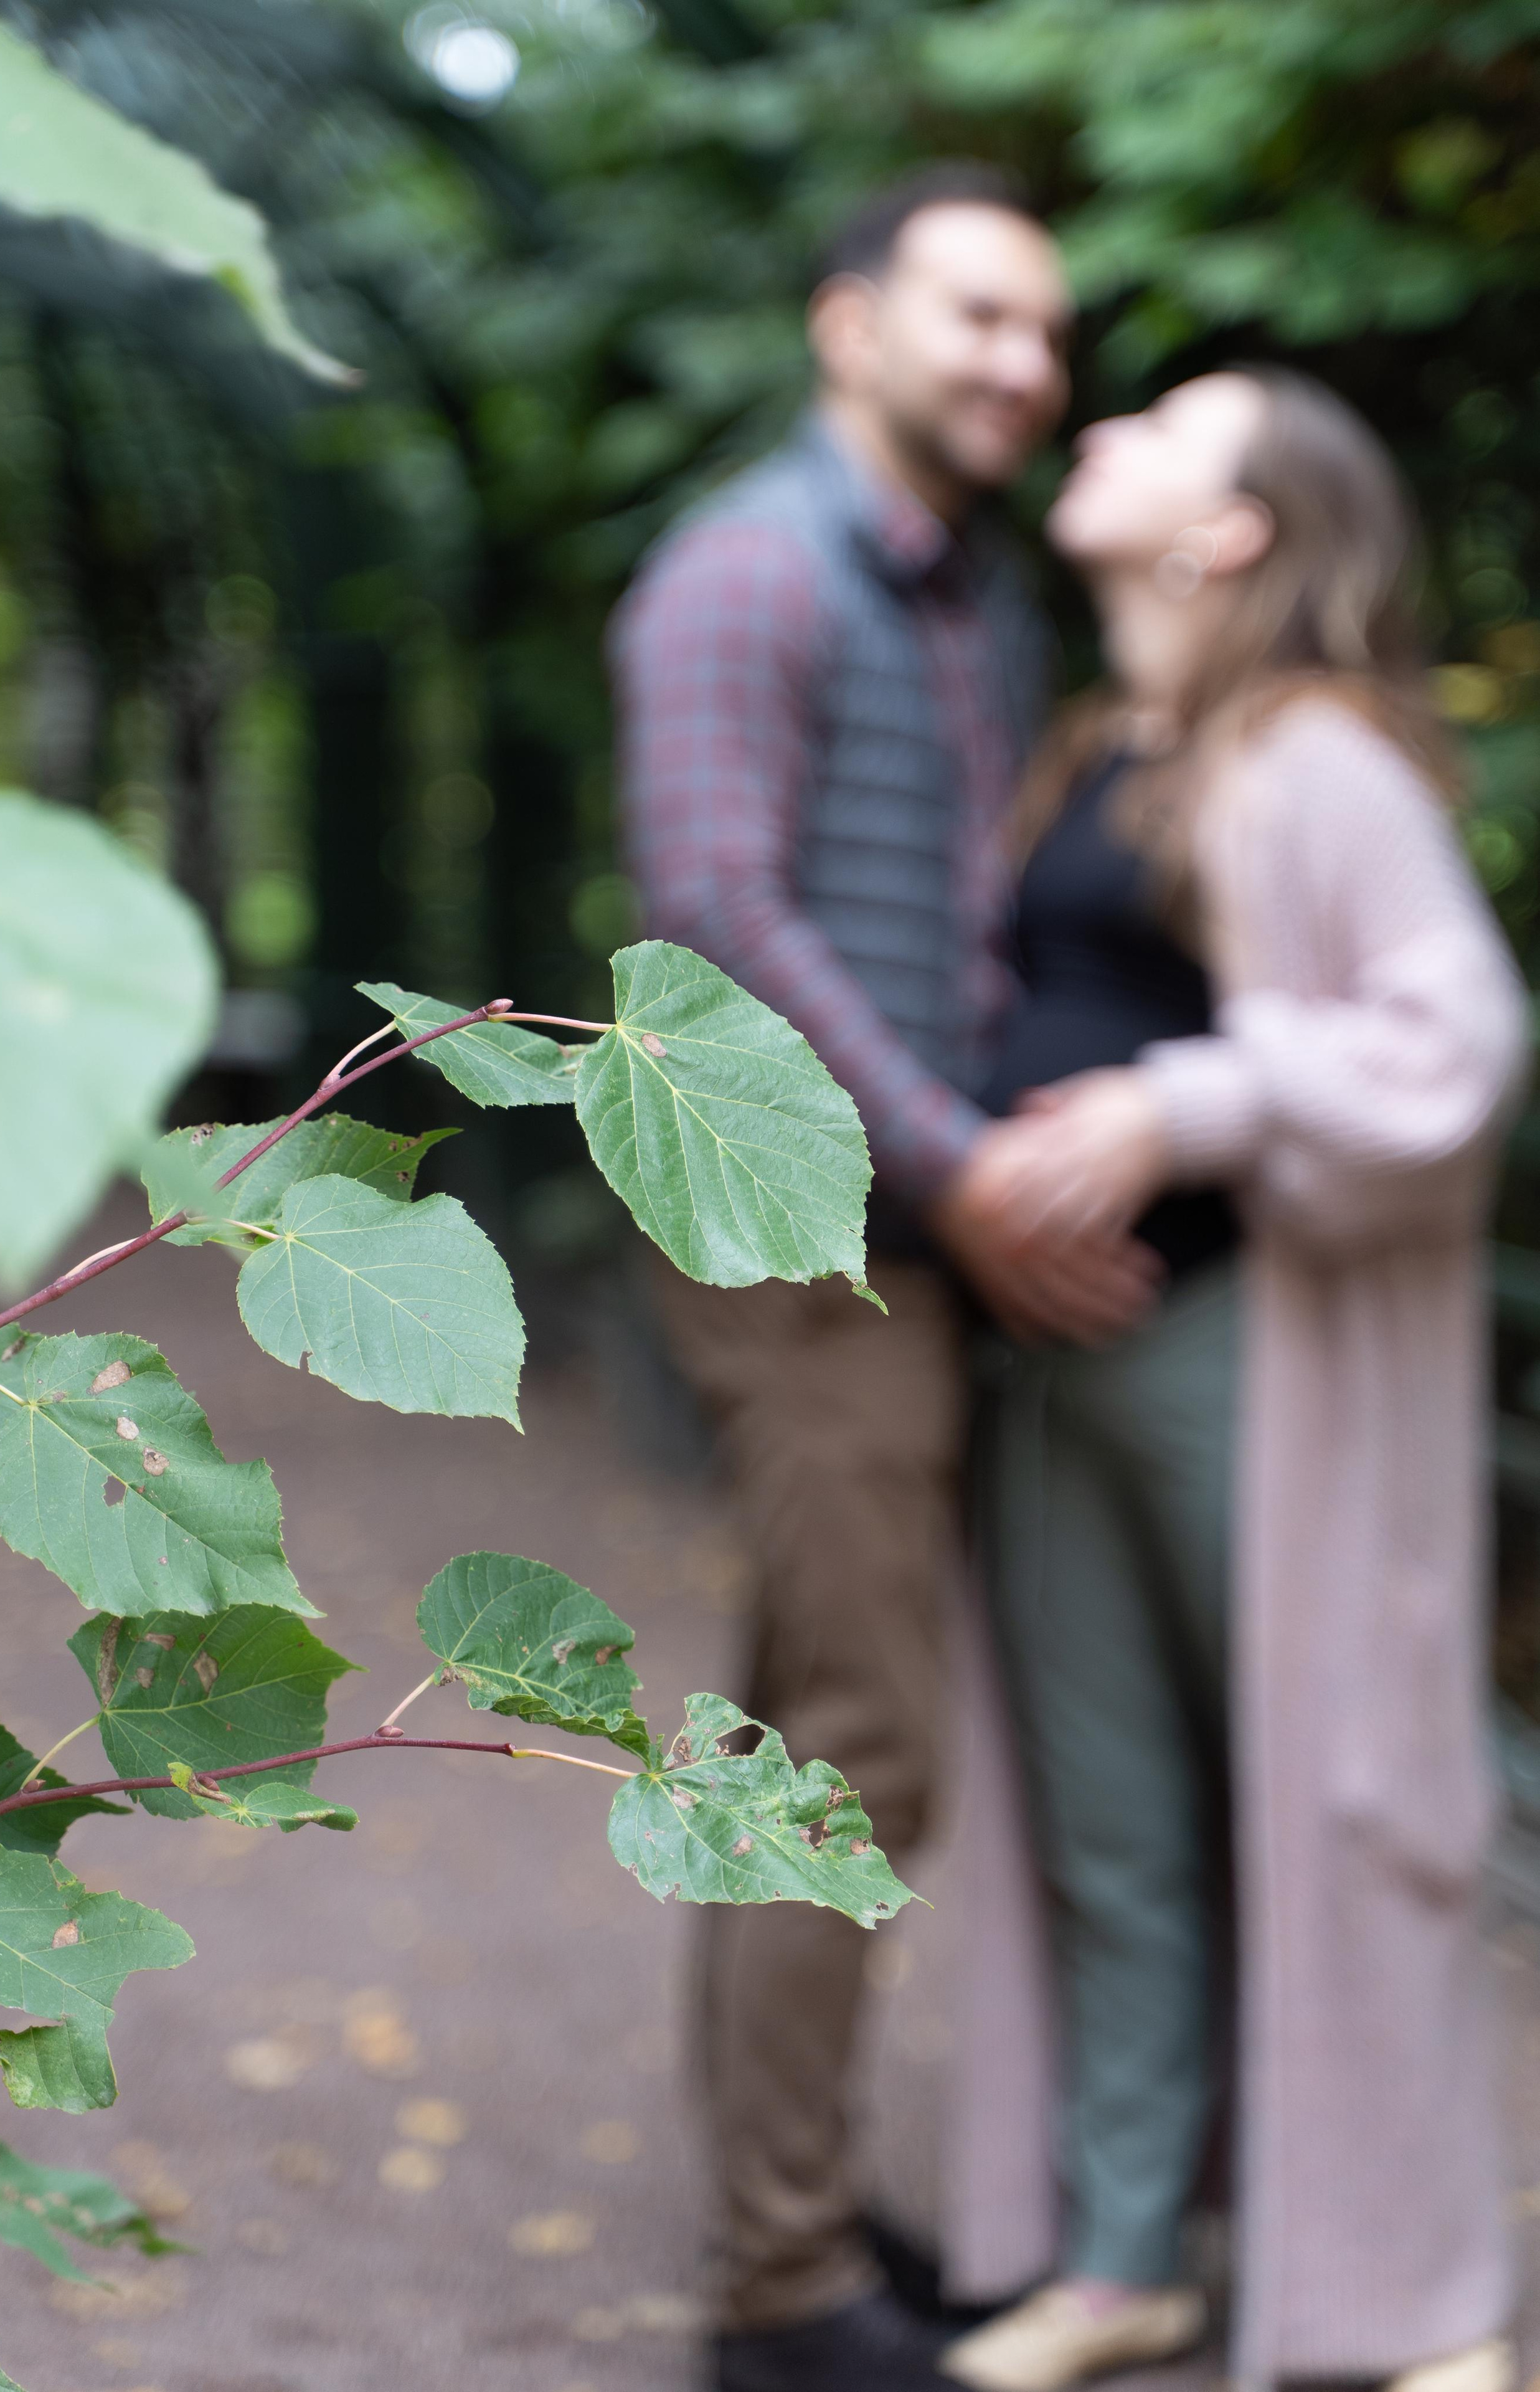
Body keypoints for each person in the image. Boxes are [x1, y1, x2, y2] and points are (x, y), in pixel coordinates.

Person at [613, 165, 1160, 2392]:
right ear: (849, 325)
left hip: (895, 1239)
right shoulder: (755, 569)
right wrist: (967, 1178)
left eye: (1046, 329)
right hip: (799, 1241)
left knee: (802, 1737)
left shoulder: (963, 598)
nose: (1024, 365)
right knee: (850, 1746)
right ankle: (781, 2293)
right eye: (975, 317)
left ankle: (799, 2222)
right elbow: (723, 916)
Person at [938, 368, 1529, 2392]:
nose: (1100, 429)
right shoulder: (1105, 743)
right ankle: (1124, 2261)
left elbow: (1453, 1050)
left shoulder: (1322, 758)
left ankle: (1418, 2301)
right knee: (1107, 1827)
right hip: (1051, 1370)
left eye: (1169, 426)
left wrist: (1175, 1111)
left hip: (1243, 1369)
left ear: (1242, 524)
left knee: (1349, 1813)